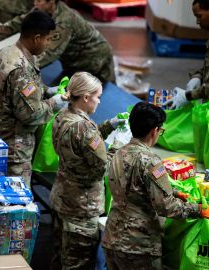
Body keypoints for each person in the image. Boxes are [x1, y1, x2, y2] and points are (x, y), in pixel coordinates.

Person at [102, 102, 209, 269]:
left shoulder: (118, 152)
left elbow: (134, 186)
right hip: (138, 245)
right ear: (154, 130)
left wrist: (173, 191)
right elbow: (167, 207)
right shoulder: (151, 161)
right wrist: (199, 210)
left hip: (112, 237)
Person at [50, 72, 125, 270]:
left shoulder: (62, 116)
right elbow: (103, 168)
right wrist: (117, 146)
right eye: (97, 97)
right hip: (82, 206)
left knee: (59, 256)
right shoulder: (85, 128)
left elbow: (80, 142)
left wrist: (108, 126)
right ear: (85, 97)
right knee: (79, 262)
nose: (99, 102)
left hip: (61, 197)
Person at [0, 11, 67, 187]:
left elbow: (18, 92)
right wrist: (55, 103)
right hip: (15, 147)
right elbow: (30, 114)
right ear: (37, 38)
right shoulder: (21, 68)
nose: (48, 44)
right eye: (48, 39)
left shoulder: (9, 52)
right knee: (16, 201)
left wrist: (46, 91)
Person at [0, 0, 115, 84]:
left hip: (93, 58)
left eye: (40, 1)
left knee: (94, 95)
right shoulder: (42, 9)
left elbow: (49, 53)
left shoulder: (64, 21)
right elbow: (21, 21)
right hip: (72, 58)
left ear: (51, 2)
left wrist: (16, 68)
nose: (35, 3)